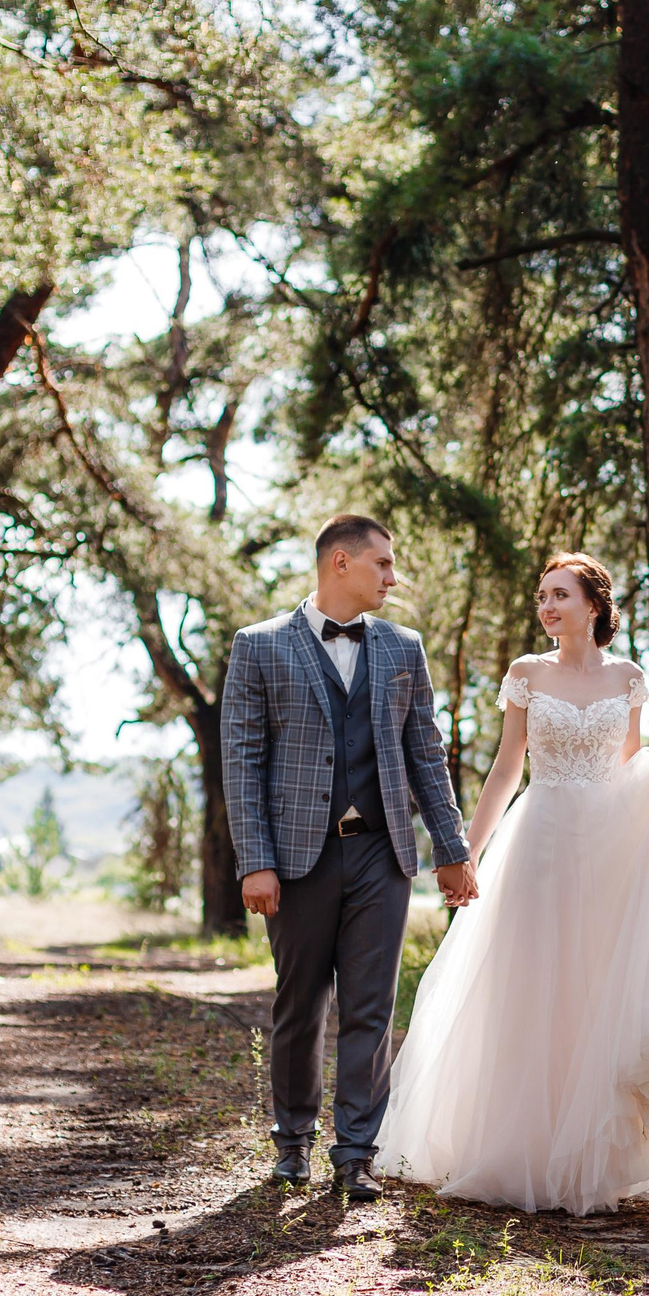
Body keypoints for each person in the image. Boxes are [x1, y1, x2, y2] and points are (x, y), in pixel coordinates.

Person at [373, 552, 649, 1214]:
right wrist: (465, 851)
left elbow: (627, 769)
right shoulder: (526, 673)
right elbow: (507, 768)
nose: (547, 606)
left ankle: (592, 1153)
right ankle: (521, 1145)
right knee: (533, 985)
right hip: (540, 839)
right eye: (542, 596)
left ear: (593, 605)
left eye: (560, 595)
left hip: (605, 844)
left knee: (597, 988)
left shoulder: (628, 677)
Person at [221, 515, 478, 1203]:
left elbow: (427, 755)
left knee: (371, 1008)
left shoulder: (403, 648)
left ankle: (356, 1152)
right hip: (296, 857)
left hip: (381, 855)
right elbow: (242, 761)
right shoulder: (259, 646)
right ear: (341, 562)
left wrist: (451, 849)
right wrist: (255, 860)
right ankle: (292, 1142)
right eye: (382, 563)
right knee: (300, 1004)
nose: (393, 577)